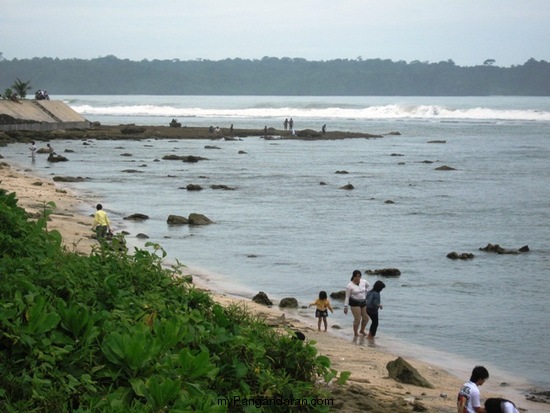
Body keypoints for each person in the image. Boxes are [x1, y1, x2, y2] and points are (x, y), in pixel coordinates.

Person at [343, 270, 370, 336]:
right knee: (357, 319)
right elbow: (347, 297)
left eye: (359, 276)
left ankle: (362, 330)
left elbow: (368, 286)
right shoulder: (349, 286)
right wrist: (345, 307)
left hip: (363, 301)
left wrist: (366, 293)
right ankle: (355, 333)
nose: (358, 278)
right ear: (353, 276)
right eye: (357, 276)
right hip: (355, 303)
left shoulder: (364, 281)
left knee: (366, 318)